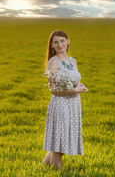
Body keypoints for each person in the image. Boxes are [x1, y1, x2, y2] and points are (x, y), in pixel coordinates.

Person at [41, 30, 88, 170]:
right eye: (56, 42)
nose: (59, 44)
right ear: (52, 46)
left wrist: (79, 86)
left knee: (61, 143)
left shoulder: (72, 61)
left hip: (73, 105)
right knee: (59, 145)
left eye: (62, 40)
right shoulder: (53, 63)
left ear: (68, 41)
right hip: (60, 105)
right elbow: (53, 90)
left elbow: (74, 80)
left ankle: (42, 168)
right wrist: (74, 90)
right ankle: (57, 171)